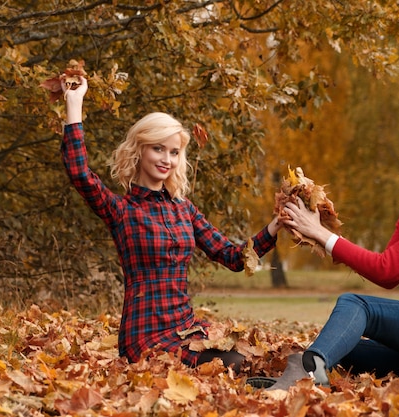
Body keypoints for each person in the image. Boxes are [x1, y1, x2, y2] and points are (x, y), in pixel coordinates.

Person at [60, 76, 281, 372]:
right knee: (234, 364)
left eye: (174, 152)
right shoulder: (121, 209)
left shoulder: (184, 209)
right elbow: (79, 173)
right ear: (140, 150)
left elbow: (232, 257)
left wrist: (275, 227)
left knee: (250, 360)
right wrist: (74, 104)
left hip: (186, 329)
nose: (167, 159)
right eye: (158, 149)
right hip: (145, 335)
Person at [248, 125, 399, 390]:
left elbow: (384, 269)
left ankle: (306, 371)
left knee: (356, 304)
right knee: (343, 346)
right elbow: (390, 277)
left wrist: (319, 232)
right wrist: (314, 233)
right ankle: (301, 378)